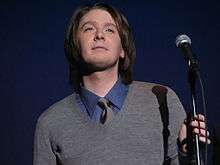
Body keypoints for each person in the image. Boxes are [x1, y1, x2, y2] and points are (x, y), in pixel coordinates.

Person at [33, 3, 210, 165]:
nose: (99, 35)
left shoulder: (161, 99)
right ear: (75, 46)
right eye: (88, 29)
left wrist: (188, 152)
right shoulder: (50, 123)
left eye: (110, 30)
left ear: (123, 49)